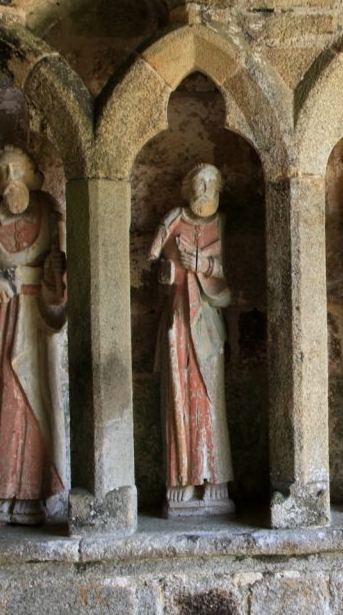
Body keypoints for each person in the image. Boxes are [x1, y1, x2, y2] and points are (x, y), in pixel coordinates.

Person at [0, 145, 67, 525]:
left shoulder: (47, 211)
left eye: (18, 171)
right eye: (3, 172)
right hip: (1, 314)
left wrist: (56, 278)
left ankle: (31, 492)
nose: (12, 180)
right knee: (0, 398)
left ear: (31, 175)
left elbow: (60, 265)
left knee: (34, 400)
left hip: (35, 317)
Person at [149, 163, 234, 514]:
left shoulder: (220, 224)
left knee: (211, 398)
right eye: (198, 184)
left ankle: (215, 477)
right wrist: (166, 272)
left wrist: (202, 263)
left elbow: (225, 283)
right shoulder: (172, 223)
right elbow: (155, 264)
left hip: (206, 324)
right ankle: (181, 478)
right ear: (187, 188)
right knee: (178, 397)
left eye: (210, 185)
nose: (204, 191)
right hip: (178, 322)